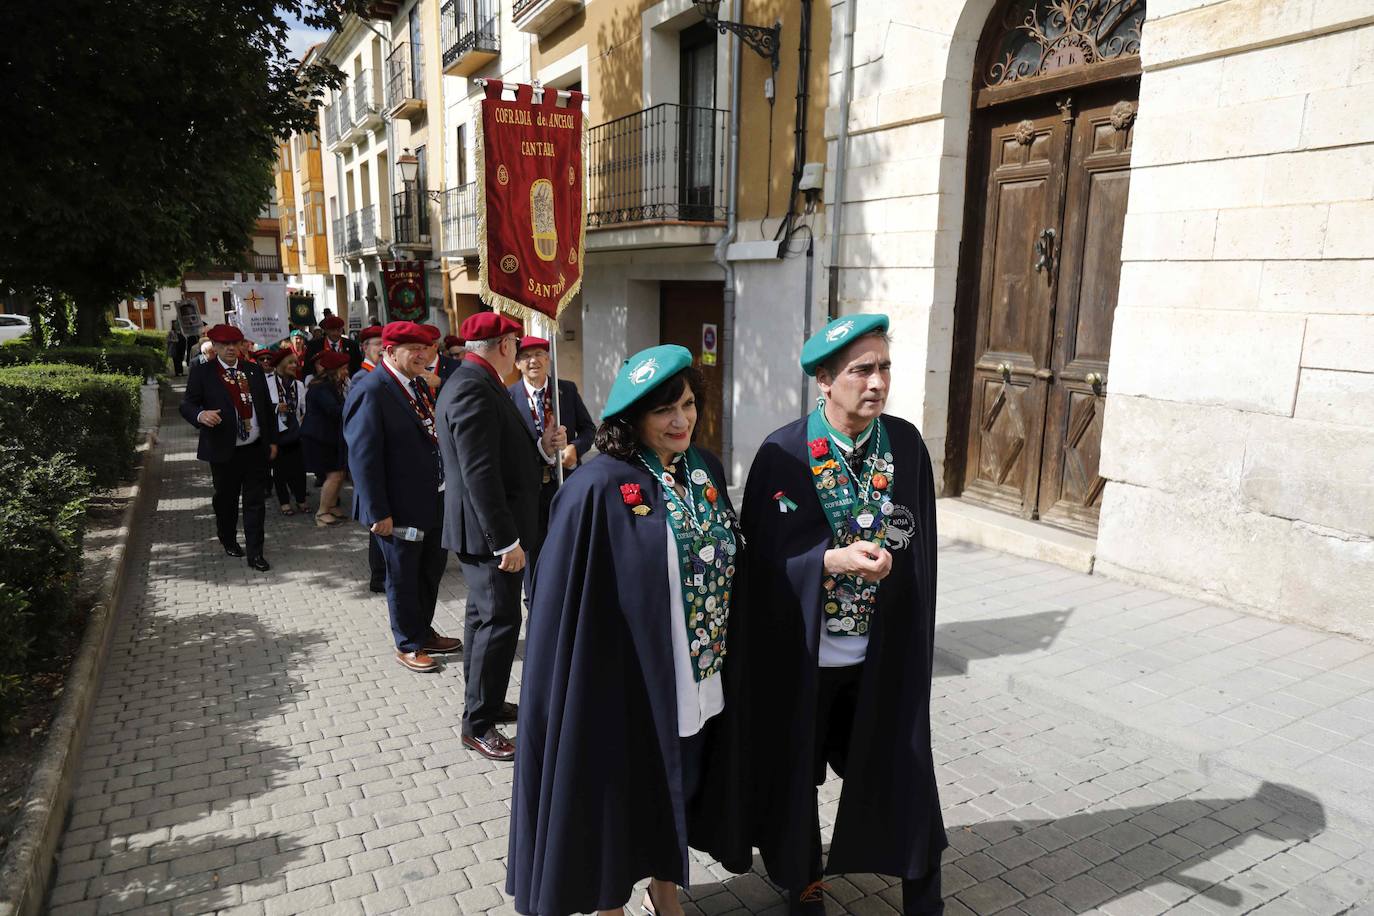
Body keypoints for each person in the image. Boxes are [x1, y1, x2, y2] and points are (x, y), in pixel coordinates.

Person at [507, 345, 751, 916]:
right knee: (617, 798)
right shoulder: (597, 486)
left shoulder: (704, 468)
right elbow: (563, 605)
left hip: (697, 672)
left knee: (676, 786)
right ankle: (609, 902)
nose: (680, 421)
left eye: (688, 404)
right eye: (663, 410)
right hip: (625, 683)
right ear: (632, 419)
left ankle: (665, 888)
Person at [740, 314, 945, 914]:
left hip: (881, 658)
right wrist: (826, 561)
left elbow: (922, 548)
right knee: (797, 783)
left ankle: (923, 895)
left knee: (905, 774)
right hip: (807, 660)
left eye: (884, 367)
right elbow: (760, 565)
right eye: (862, 370)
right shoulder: (781, 453)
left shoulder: (906, 445)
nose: (877, 382)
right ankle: (804, 888)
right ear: (824, 382)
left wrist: (898, 579)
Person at [434, 311, 566, 761]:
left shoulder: (472, 378)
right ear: (507, 345)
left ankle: (483, 704)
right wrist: (505, 542)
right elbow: (480, 473)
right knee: (499, 625)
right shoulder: (474, 386)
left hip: (484, 532)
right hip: (490, 535)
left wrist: (539, 449)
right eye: (516, 344)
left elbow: (498, 454)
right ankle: (479, 725)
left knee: (481, 621)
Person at [343, 321, 462, 672]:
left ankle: (423, 631)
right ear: (389, 352)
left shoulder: (417, 385)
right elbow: (362, 457)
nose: (422, 354)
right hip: (398, 507)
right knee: (403, 576)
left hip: (432, 499)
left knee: (429, 571)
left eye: (426, 348)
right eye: (413, 348)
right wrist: (378, 511)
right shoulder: (372, 388)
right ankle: (407, 643)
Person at [178, 324, 277, 572]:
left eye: (235, 344)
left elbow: (265, 409)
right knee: (226, 499)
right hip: (224, 450)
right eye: (225, 345)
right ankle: (228, 537)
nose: (231, 349)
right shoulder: (204, 373)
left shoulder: (253, 371)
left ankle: (256, 553)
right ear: (216, 347)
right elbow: (187, 405)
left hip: (253, 448)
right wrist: (201, 415)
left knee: (255, 502)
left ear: (242, 345)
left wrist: (272, 440)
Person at [506, 335, 597, 598]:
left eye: (539, 354)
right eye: (525, 356)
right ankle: (535, 601)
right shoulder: (508, 396)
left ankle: (566, 596)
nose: (533, 361)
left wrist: (574, 448)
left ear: (548, 358)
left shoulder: (565, 390)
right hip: (529, 489)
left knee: (567, 541)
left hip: (564, 482)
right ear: (517, 363)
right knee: (533, 548)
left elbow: (588, 429)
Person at [351, 324, 387, 593]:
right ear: (365, 348)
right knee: (378, 526)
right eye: (376, 344)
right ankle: (378, 576)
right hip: (374, 458)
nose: (381, 349)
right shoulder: (361, 379)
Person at [302, 350, 351, 527]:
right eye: (344, 369)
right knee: (335, 475)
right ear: (334, 370)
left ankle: (331, 507)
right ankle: (322, 512)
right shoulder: (321, 387)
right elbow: (334, 411)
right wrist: (354, 403)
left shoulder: (329, 385)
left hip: (329, 437)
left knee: (339, 473)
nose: (346, 372)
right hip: (320, 438)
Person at [266, 350, 308, 515]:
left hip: (295, 431)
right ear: (281, 364)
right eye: (290, 363)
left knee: (299, 468)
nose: (294, 366)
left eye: (295, 363)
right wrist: (276, 408)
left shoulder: (298, 384)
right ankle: (284, 502)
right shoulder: (267, 382)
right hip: (276, 432)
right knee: (279, 470)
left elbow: (304, 407)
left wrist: (305, 415)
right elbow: (260, 407)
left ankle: (301, 499)